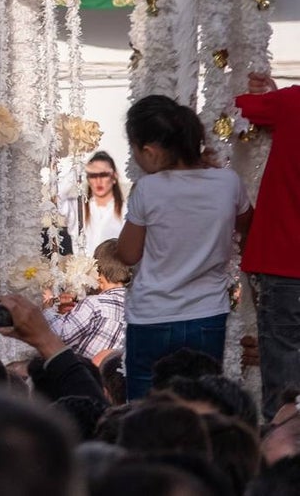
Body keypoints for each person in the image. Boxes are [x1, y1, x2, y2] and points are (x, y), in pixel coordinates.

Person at [117, 95, 252, 400]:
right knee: (203, 402)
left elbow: (128, 254)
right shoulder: (228, 182)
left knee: (145, 407)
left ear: (150, 152)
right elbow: (247, 225)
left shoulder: (148, 190)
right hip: (207, 313)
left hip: (152, 315)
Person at [235, 72, 300, 418]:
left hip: (283, 266)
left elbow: (234, 109)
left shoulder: (292, 103)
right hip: (282, 266)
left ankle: (285, 464)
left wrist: (275, 101)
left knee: (283, 387)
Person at [45, 238, 129, 361]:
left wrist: (47, 308)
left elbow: (60, 335)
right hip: (112, 377)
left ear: (99, 273)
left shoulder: (95, 304)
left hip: (83, 375)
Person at [60, 151, 128, 255]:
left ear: (114, 177)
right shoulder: (77, 207)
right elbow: (56, 195)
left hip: (114, 270)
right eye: (93, 175)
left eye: (104, 174)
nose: (98, 180)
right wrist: (81, 169)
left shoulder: (126, 210)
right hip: (82, 270)